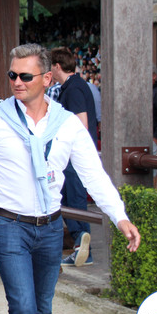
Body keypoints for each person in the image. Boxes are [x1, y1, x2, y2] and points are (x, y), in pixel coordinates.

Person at [0, 44, 140, 314]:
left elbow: (93, 175)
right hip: (7, 225)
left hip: (49, 228)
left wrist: (120, 217)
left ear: (46, 79)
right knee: (23, 310)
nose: (17, 81)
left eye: (25, 75)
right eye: (12, 75)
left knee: (42, 313)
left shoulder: (68, 124)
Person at [50, 47, 98, 267]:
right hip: (73, 155)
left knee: (74, 200)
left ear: (56, 66)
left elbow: (81, 123)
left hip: (75, 156)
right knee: (70, 199)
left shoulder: (74, 88)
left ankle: (82, 247)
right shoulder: (72, 86)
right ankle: (80, 245)